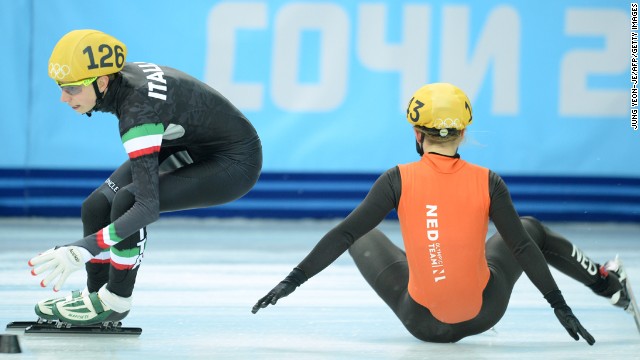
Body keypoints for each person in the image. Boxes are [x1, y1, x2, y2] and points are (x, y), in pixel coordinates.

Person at [252, 83, 635, 345]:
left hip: (421, 323)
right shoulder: (489, 182)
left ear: (417, 133)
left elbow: (344, 235)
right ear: (463, 134)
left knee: (361, 232)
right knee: (530, 228)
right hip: (485, 311)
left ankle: (423, 271)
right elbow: (520, 247)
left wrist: (293, 280)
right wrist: (559, 305)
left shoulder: (395, 179)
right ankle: (607, 285)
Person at [28, 29, 262, 325]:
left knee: (130, 200)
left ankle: (116, 300)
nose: (63, 98)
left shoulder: (137, 112)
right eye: (60, 87)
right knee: (96, 205)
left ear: (102, 82)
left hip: (233, 162)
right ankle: (97, 295)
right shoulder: (119, 80)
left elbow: (146, 208)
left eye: (72, 88)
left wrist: (84, 248)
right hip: (189, 140)